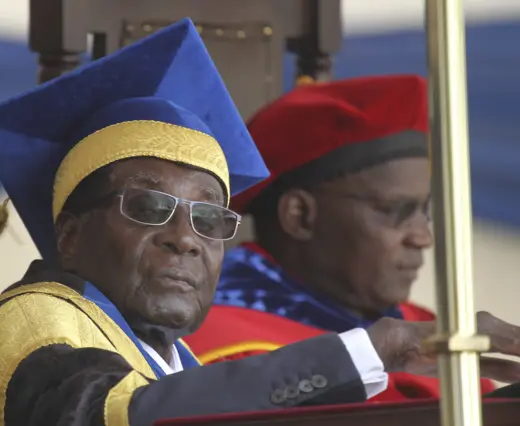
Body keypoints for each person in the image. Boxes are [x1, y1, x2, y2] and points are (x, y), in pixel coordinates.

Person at [0, 20, 520, 426]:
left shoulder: (168, 356)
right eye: (150, 207)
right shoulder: (36, 317)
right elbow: (115, 414)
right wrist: (374, 349)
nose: (186, 238)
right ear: (71, 235)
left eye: (210, 218)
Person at [184, 75, 497, 401]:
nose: (423, 237)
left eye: (424, 211)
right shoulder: (223, 350)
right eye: (395, 210)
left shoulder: (428, 328)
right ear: (299, 215)